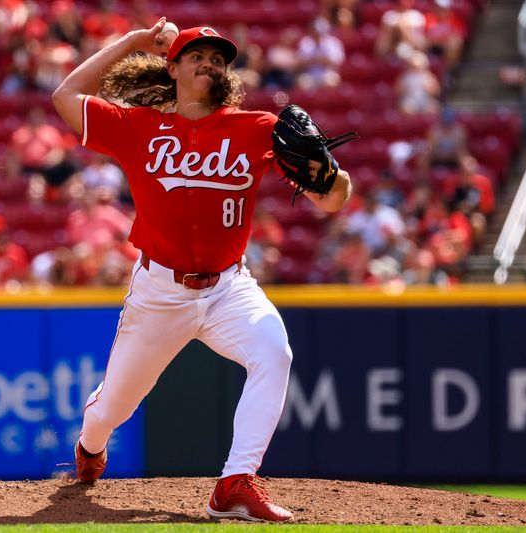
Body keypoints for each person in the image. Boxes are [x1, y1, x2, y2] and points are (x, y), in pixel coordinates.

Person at [53, 19, 351, 522]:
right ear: (173, 68)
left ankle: (235, 483)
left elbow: (331, 201)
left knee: (274, 352)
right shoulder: (138, 126)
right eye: (198, 57)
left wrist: (333, 175)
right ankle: (90, 445)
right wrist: (131, 42)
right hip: (158, 293)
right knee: (113, 410)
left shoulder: (256, 128)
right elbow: (66, 95)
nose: (210, 65)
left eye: (218, 60)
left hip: (229, 287)